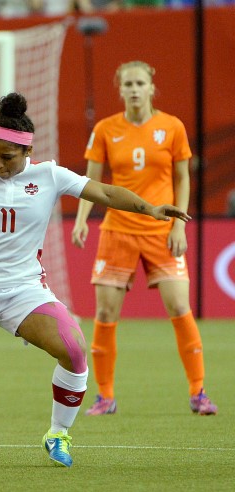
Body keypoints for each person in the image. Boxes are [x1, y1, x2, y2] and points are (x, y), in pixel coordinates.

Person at [0, 92, 191, 467]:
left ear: (27, 151)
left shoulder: (50, 175)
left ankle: (58, 435)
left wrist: (149, 208)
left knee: (74, 350)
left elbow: (104, 192)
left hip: (22, 290)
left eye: (7, 156)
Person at [72, 61, 217, 416]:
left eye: (140, 83)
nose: (134, 89)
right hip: (117, 230)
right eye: (128, 84)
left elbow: (182, 178)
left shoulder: (172, 127)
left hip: (160, 232)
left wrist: (180, 224)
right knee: (105, 312)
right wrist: (81, 220)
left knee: (180, 308)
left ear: (152, 87)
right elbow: (90, 183)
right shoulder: (106, 129)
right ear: (119, 89)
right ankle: (105, 397)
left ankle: (198, 392)